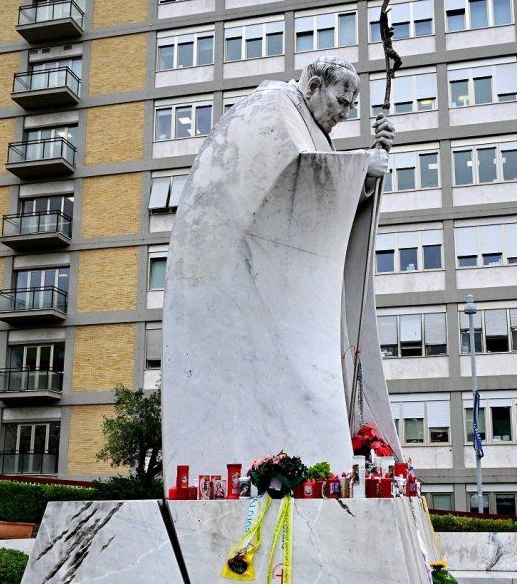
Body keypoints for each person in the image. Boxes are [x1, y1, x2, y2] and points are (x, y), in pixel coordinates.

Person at [161, 56, 401, 480]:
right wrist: (363, 164)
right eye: (340, 102)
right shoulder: (270, 107)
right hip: (241, 289)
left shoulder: (313, 130)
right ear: (312, 84)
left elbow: (317, 209)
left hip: (281, 291)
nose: (344, 114)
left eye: (351, 107)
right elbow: (283, 180)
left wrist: (365, 174)